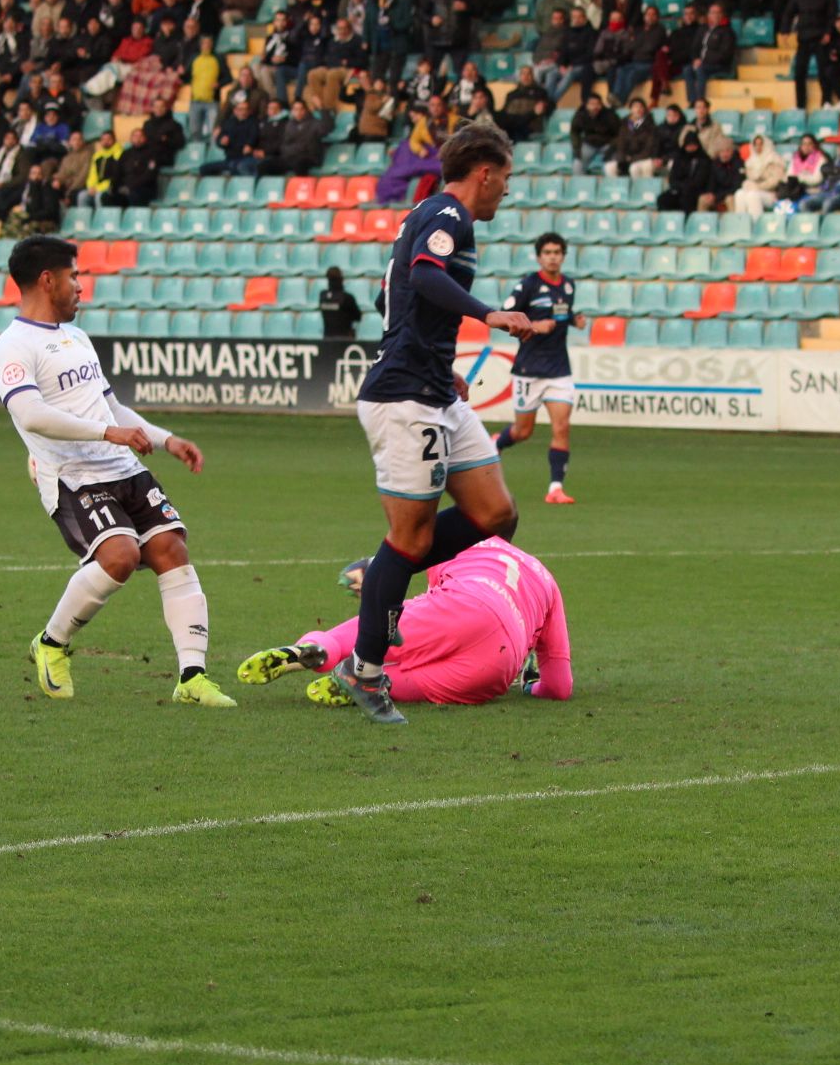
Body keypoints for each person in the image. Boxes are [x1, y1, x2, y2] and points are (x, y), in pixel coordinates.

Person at [342, 122, 541, 724]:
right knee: (411, 540)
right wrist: (491, 314)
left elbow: (398, 299)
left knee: (496, 515)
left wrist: (441, 361)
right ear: (485, 172)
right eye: (505, 177)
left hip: (433, 388)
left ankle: (383, 574)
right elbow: (425, 276)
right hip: (404, 398)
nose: (507, 189)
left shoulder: (436, 215)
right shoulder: (449, 215)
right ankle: (367, 671)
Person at [0, 235, 235, 708]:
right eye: (73, 276)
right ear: (47, 280)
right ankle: (52, 643)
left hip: (122, 465)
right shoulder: (12, 346)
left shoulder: (75, 338)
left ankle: (192, 677)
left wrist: (166, 440)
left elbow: (111, 407)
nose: (80, 286)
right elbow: (32, 416)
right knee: (120, 556)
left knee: (171, 548)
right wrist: (108, 433)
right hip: (74, 475)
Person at [235, 537, 571, 707]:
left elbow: (405, 611)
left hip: (464, 604)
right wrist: (529, 684)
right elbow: (559, 686)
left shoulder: (459, 540)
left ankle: (318, 647)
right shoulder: (548, 580)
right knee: (409, 682)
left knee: (385, 629)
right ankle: (363, 687)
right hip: (500, 660)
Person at [493, 231, 587, 504]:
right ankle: (497, 443)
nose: (552, 258)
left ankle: (555, 488)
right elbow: (503, 317)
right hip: (529, 370)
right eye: (547, 253)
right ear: (539, 257)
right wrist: (533, 326)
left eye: (557, 253)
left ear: (563, 256)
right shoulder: (527, 286)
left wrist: (573, 321)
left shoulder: (568, 286)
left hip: (559, 370)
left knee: (562, 426)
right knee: (523, 432)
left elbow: (561, 314)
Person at [320, 265, 362, 338]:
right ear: (341, 279)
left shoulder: (322, 296)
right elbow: (358, 317)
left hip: (327, 338)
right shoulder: (347, 297)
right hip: (344, 339)